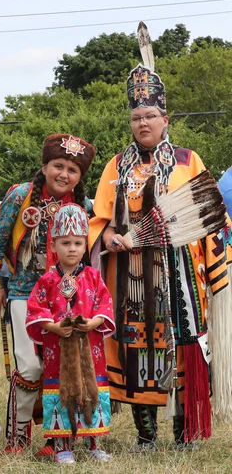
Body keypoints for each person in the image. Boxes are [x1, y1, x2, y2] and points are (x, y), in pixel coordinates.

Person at [89, 60, 229, 451]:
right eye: (136, 117)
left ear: (165, 118)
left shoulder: (189, 160)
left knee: (184, 347)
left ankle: (185, 434)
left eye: (151, 116)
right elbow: (100, 219)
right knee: (136, 347)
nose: (143, 123)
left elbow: (212, 215)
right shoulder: (116, 166)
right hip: (132, 272)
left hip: (181, 272)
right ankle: (145, 434)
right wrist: (114, 237)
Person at [0, 133, 96, 454]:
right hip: (22, 293)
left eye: (72, 170)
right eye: (58, 166)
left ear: (80, 177)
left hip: (66, 299)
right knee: (30, 367)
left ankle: (56, 439)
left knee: (60, 367)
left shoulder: (82, 206)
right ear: (45, 165)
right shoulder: (21, 196)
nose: (64, 174)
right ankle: (17, 438)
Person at [26, 204, 114, 464]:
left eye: (77, 243)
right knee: (61, 392)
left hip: (91, 350)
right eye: (65, 243)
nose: (72, 248)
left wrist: (93, 322)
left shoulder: (94, 276)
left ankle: (94, 442)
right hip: (58, 353)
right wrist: (53, 327)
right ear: (53, 247)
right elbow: (35, 309)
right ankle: (63, 446)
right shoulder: (47, 280)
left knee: (91, 390)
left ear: (85, 246)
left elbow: (104, 305)